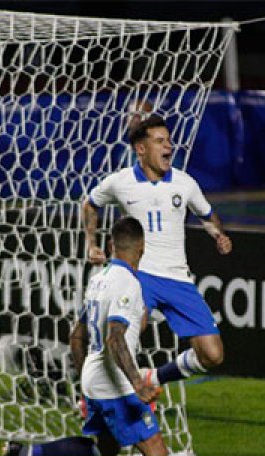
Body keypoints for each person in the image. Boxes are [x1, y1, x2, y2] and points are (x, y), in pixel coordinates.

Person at [0, 217, 171, 456]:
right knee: (156, 452)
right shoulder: (128, 284)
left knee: (104, 449)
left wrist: (84, 383)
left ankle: (25, 453)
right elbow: (115, 339)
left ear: (110, 246)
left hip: (93, 376)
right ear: (142, 249)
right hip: (115, 381)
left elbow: (75, 336)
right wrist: (137, 384)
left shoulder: (98, 278)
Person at [82, 114, 231, 391]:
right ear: (141, 148)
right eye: (160, 141)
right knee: (124, 336)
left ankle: (156, 378)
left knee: (212, 354)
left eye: (169, 141)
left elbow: (208, 216)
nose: (169, 147)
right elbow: (90, 204)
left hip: (177, 278)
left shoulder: (185, 183)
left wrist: (218, 236)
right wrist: (91, 243)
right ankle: (99, 397)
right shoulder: (120, 182)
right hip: (140, 276)